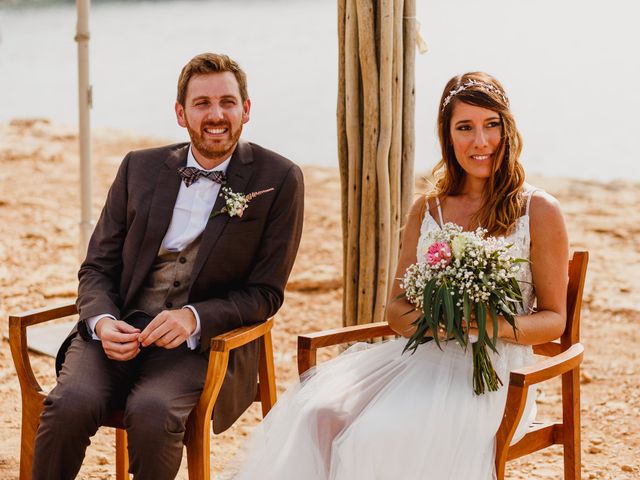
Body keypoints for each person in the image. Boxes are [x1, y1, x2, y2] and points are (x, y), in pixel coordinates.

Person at [223, 72, 568, 479]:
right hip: (422, 357)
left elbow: (553, 320)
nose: (481, 142)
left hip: (493, 376)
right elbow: (396, 309)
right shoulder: (428, 208)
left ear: (507, 129)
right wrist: (439, 323)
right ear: (447, 136)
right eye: (465, 128)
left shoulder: (538, 210)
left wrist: (486, 324)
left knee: (374, 436)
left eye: (492, 125)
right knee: (319, 414)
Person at [31, 52, 304, 479]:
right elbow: (97, 267)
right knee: (68, 405)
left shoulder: (280, 178)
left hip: (200, 345)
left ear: (246, 110)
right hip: (119, 327)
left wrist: (193, 318)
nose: (216, 115)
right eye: (202, 104)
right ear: (181, 113)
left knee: (153, 413)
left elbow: (266, 293)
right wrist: (102, 322)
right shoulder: (138, 167)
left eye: (227, 102)